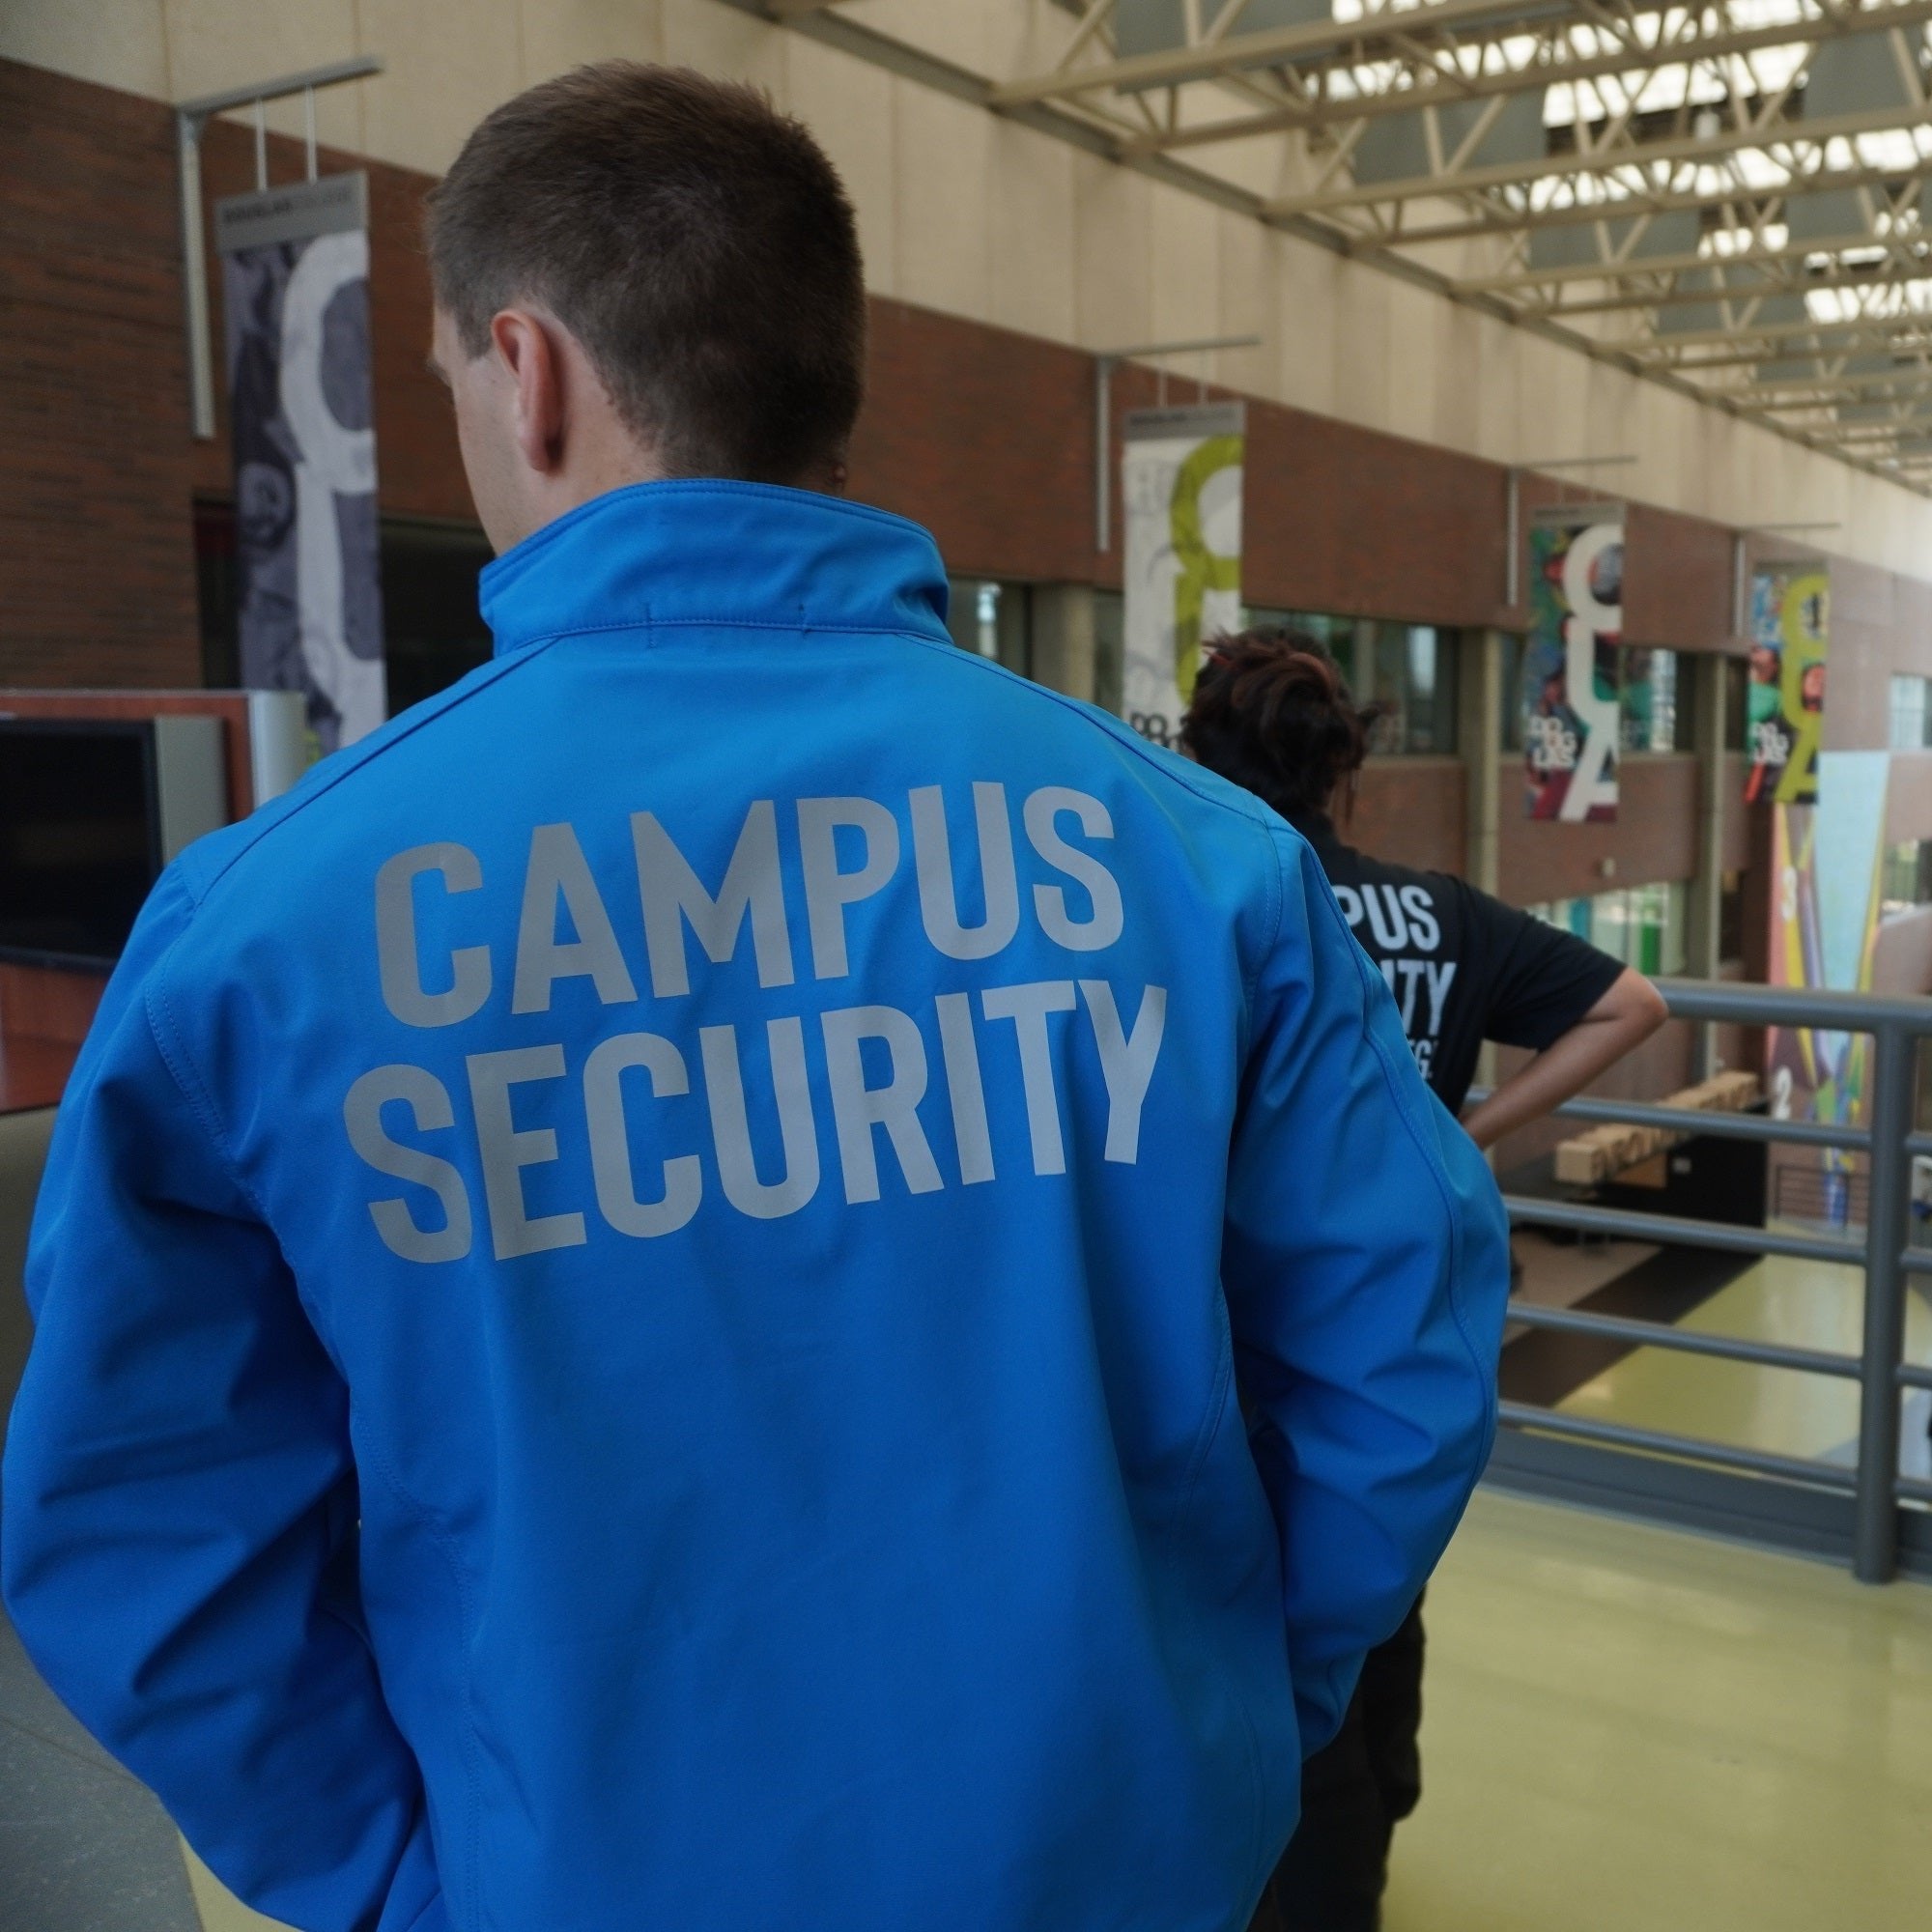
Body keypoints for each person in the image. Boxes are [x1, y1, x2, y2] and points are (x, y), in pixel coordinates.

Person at [1, 66, 1510, 1932]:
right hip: (1120, 1860)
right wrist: (1217, 1723)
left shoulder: (259, 930)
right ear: (825, 380)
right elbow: (1404, 1350)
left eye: (456, 374)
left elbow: (142, 1523)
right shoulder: (1193, 865)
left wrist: (402, 1875)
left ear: (527, 369)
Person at [1183, 631, 1668, 1932]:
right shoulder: (1435, 917)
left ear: (1193, 752)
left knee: (1200, 1599)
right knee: (1369, 1597)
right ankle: (1348, 1843)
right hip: (1390, 1358)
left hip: (1215, 1347)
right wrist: (1468, 1129)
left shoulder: (1192, 902)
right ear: (1345, 767)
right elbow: (1634, 1003)